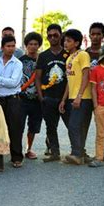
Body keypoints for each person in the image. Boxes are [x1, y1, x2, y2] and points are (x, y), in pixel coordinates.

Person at [35, 24, 70, 162]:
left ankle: (78, 152)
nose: (52, 38)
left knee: (71, 125)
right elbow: (37, 78)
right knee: (51, 127)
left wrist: (66, 97)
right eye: (49, 35)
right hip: (48, 97)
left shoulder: (68, 54)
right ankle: (54, 153)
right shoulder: (43, 56)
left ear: (61, 35)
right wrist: (41, 97)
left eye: (55, 35)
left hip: (65, 97)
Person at [60, 29, 93, 165]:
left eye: (68, 41)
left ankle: (77, 154)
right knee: (76, 126)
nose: (65, 43)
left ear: (77, 42)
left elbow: (86, 75)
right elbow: (69, 80)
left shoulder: (83, 55)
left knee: (74, 126)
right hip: (71, 97)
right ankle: (80, 154)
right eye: (65, 40)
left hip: (83, 97)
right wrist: (63, 99)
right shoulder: (69, 57)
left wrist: (79, 96)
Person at [0, 35, 24, 168]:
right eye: (8, 46)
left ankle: (16, 157)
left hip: (13, 99)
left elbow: (14, 83)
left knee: (15, 129)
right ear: (2, 47)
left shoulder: (18, 63)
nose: (11, 49)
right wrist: (3, 81)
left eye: (13, 46)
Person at [86, 23, 104, 161]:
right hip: (87, 93)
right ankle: (81, 151)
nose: (95, 36)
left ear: (103, 36)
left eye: (98, 34)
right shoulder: (84, 53)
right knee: (83, 124)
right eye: (93, 34)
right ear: (89, 35)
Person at [19, 32, 43, 159]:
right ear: (26, 45)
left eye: (35, 44)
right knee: (19, 125)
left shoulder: (42, 60)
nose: (33, 46)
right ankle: (17, 150)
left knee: (33, 126)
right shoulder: (20, 61)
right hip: (22, 98)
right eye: (30, 44)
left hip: (37, 99)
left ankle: (29, 149)